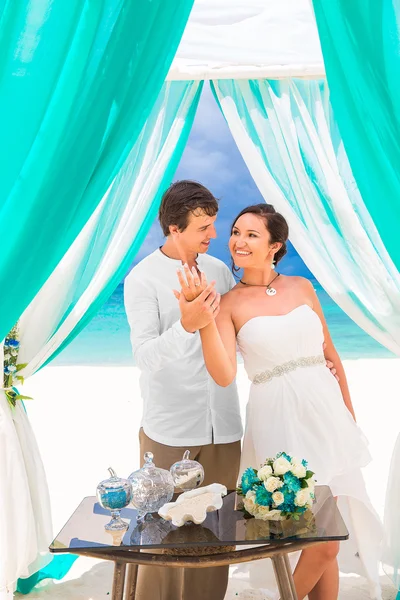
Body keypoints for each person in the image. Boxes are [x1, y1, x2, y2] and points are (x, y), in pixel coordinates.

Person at [176, 203, 382, 600]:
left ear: (276, 245)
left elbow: (332, 356)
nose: (238, 240)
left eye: (252, 234)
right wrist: (202, 322)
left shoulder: (302, 287)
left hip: (327, 420)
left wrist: (349, 421)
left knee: (328, 544)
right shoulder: (230, 303)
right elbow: (223, 375)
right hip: (279, 424)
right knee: (319, 542)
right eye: (236, 232)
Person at [124, 180, 243, 600]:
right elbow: (145, 357)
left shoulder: (218, 272)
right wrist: (186, 325)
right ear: (175, 229)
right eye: (203, 227)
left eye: (214, 225)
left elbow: (238, 332)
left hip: (225, 427)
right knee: (163, 539)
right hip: (171, 430)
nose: (214, 236)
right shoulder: (142, 280)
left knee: (217, 539)